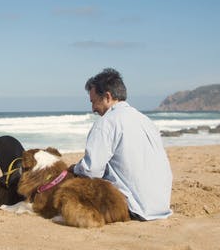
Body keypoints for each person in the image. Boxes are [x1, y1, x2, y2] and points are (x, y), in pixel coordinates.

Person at [69, 68, 172, 220]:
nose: (92, 109)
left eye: (94, 101)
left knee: (72, 187)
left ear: (107, 97)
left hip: (135, 207)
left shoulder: (106, 123)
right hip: (161, 204)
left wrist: (74, 169)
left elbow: (91, 171)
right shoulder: (145, 120)